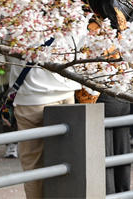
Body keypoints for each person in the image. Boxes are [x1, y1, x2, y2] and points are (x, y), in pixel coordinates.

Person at [10, 24, 87, 198]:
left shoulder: (17, 16)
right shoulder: (75, 16)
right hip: (66, 92)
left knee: (33, 167)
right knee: (68, 161)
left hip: (31, 97)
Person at [86, 0, 131, 194]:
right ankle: (123, 193)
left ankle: (109, 194)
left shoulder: (90, 24)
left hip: (100, 94)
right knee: (121, 153)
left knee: (103, 154)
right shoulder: (117, 15)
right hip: (121, 90)